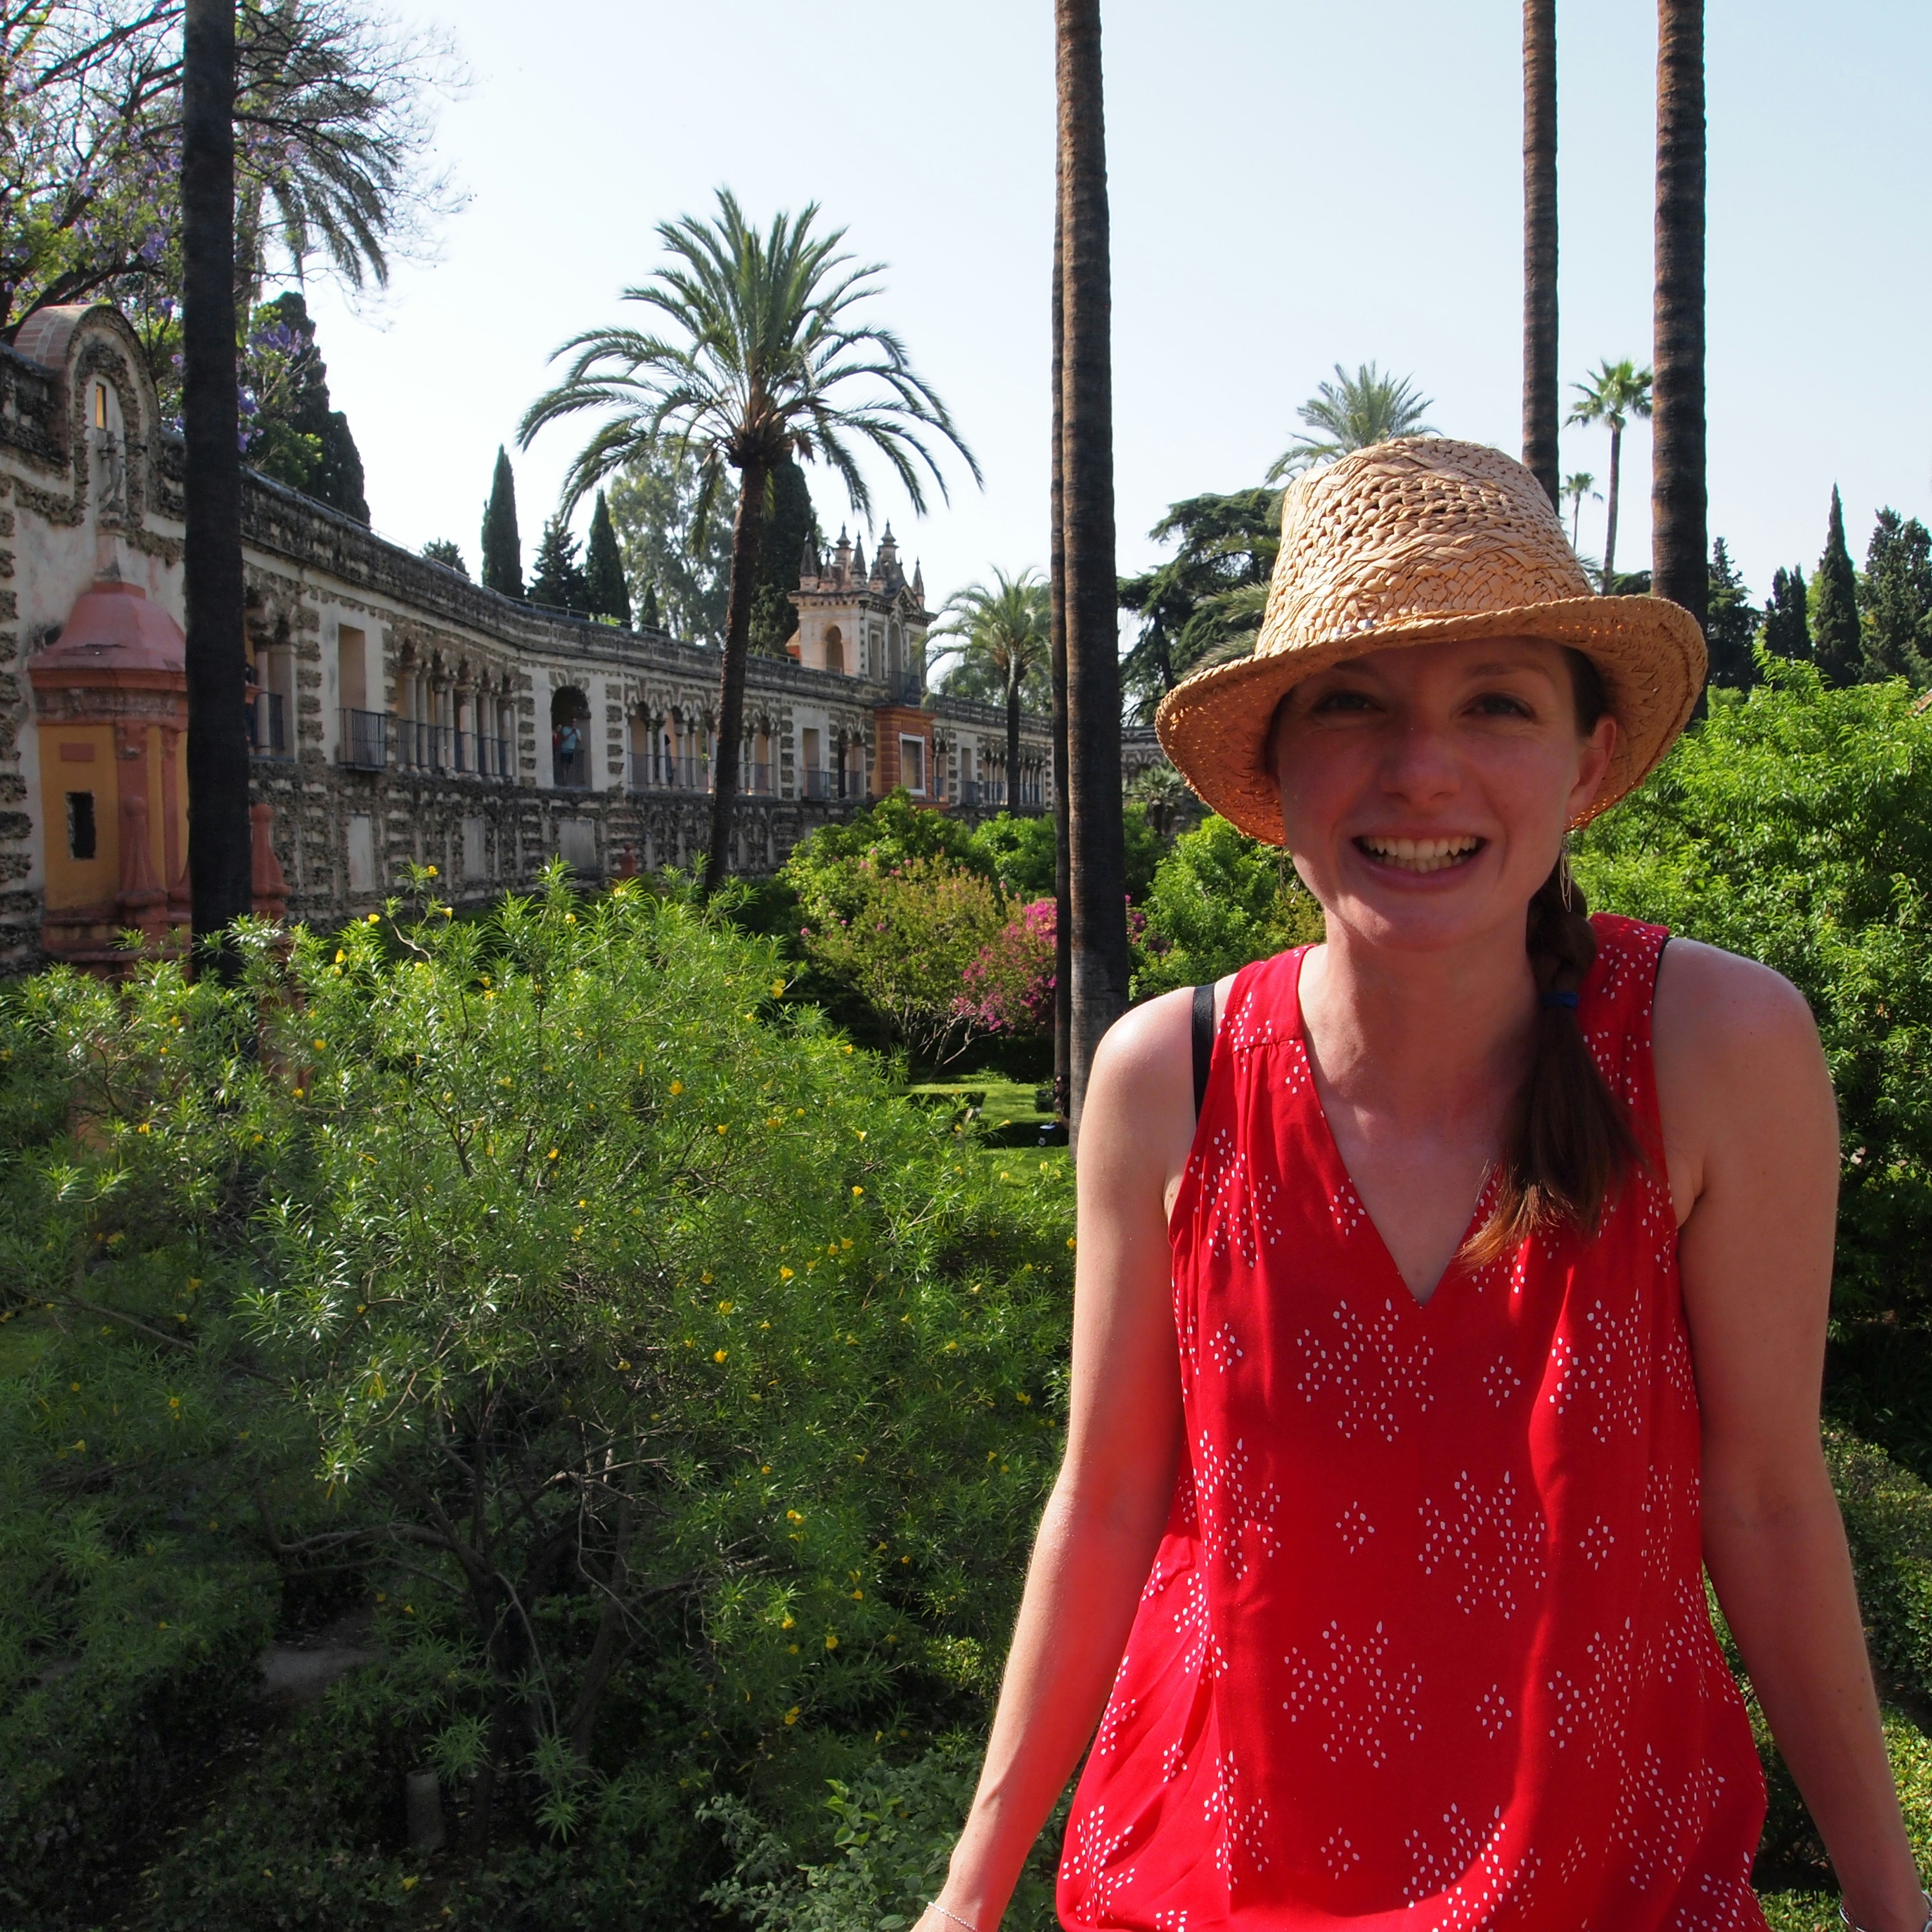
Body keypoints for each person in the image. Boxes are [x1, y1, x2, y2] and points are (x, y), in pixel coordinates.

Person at [919, 441, 1924, 1932]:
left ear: (1584, 761)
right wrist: (967, 1890)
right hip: (1215, 1886)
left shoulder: (1716, 1050)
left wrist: (1890, 1901)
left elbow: (1768, 1503)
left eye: (1496, 704)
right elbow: (1114, 1497)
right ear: (1277, 771)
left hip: (1607, 1888)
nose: (1419, 770)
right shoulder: (1168, 1077)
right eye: (1355, 706)